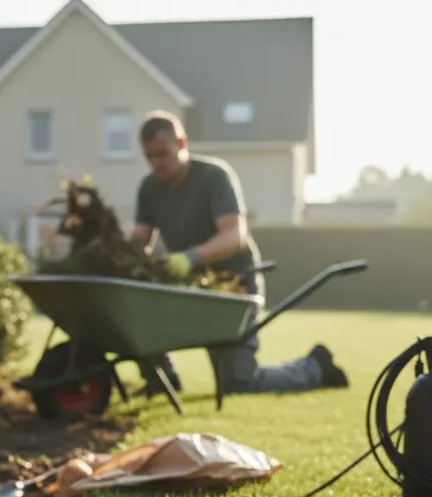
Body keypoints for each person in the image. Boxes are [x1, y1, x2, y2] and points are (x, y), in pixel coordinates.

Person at [128, 110, 349, 396]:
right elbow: (139, 239)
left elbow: (235, 236)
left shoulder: (213, 177)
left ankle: (315, 366)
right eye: (149, 157)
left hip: (235, 289)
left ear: (181, 144)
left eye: (162, 154)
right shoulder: (150, 188)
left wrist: (188, 258)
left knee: (237, 382)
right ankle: (162, 380)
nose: (156, 164)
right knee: (138, 316)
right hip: (193, 289)